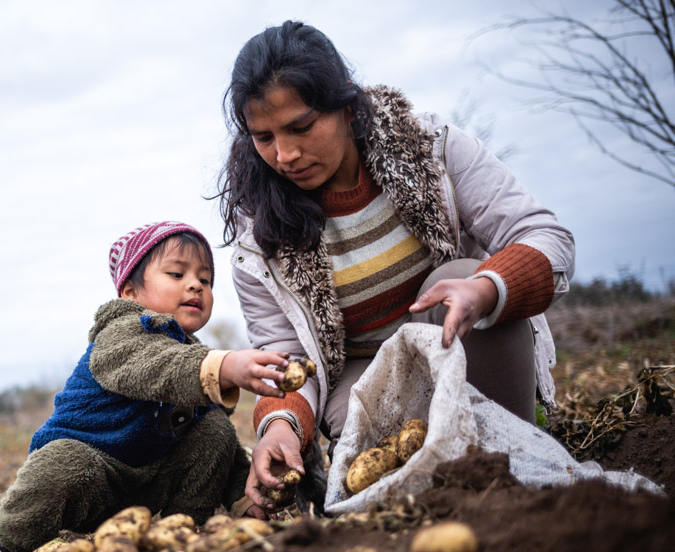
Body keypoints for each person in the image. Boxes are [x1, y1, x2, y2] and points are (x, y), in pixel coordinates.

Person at [217, 21, 576, 515]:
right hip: (363, 379)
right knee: (388, 471)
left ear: (346, 108)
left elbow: (546, 238)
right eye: (264, 137)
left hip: (458, 342)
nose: (285, 155)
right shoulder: (259, 235)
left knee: (464, 276)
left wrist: (488, 289)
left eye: (301, 127)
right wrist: (280, 426)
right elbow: (285, 356)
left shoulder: (432, 150)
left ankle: (512, 464)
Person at [0, 221, 289, 552]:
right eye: (177, 273)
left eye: (205, 280)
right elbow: (157, 367)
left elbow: (224, 452)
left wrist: (246, 500)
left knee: (214, 430)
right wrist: (223, 366)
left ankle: (183, 534)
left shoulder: (192, 354)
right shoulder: (120, 334)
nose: (195, 285)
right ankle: (7, 547)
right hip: (90, 478)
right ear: (130, 293)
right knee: (62, 462)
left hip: (147, 484)